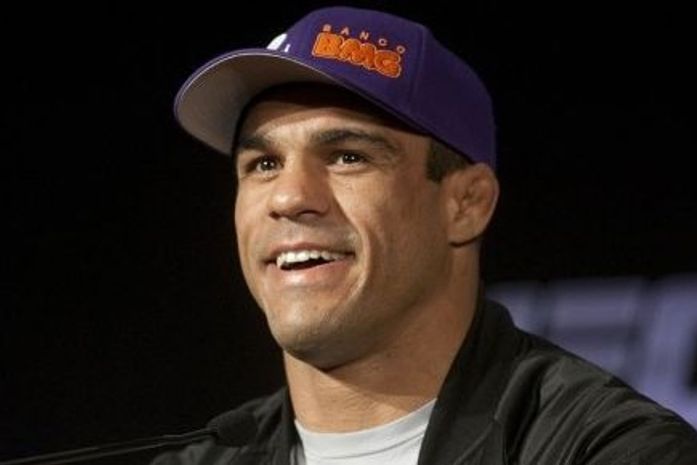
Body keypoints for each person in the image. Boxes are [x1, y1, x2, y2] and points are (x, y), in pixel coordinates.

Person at [155, 6, 697, 465]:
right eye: (264, 164)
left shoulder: (609, 450)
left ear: (467, 204)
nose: (288, 197)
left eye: (348, 156)